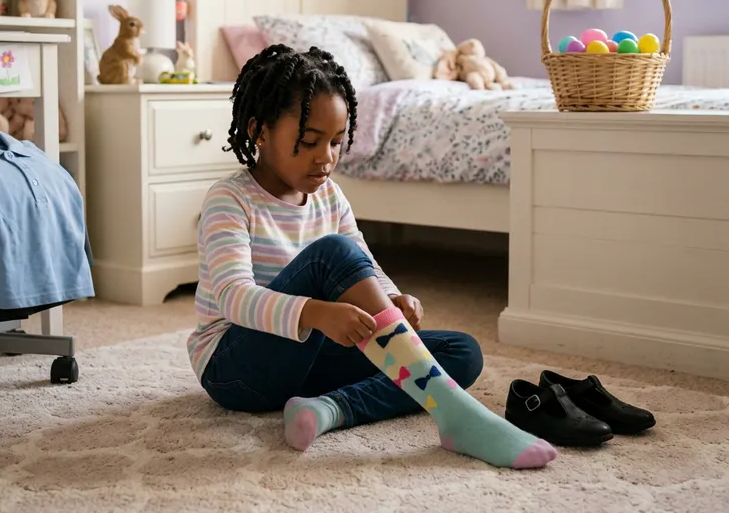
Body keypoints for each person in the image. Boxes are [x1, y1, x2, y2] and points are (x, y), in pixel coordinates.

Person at [187, 44, 556, 469]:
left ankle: (327, 409)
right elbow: (234, 297)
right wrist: (318, 314)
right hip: (237, 369)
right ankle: (455, 413)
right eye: (309, 142)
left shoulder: (328, 194)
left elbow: (365, 263)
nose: (326, 158)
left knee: (461, 351)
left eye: (337, 143)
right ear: (259, 131)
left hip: (309, 361)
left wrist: (394, 299)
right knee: (330, 253)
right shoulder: (230, 200)